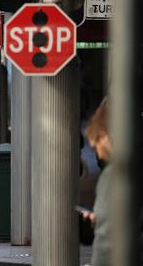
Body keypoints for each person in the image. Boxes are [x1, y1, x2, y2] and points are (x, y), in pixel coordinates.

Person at [82, 97, 111, 266]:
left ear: (105, 137)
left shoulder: (115, 175)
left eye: (97, 146)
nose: (98, 154)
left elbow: (106, 240)